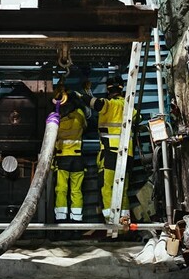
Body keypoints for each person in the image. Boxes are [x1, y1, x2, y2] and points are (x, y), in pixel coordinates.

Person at [90, 76, 135, 226]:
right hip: (126, 154)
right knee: (123, 188)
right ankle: (125, 223)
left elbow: (95, 104)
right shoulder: (129, 107)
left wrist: (78, 96)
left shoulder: (108, 105)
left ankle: (111, 223)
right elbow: (138, 117)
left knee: (107, 187)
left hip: (109, 152)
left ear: (108, 89)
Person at [52, 82, 88, 223]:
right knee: (76, 191)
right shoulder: (79, 114)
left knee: (61, 190)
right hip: (77, 158)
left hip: (62, 159)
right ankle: (76, 221)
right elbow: (85, 125)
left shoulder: (56, 116)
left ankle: (61, 220)